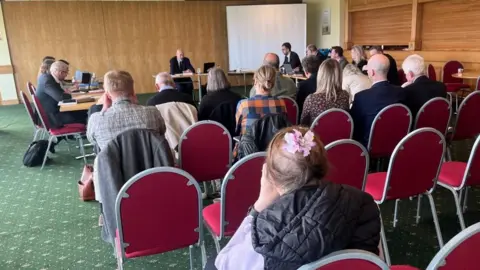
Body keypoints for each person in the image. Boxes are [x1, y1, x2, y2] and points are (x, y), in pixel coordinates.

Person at [210, 126, 381, 270]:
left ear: (270, 176)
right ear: (321, 165)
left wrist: (257, 208)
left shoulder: (263, 231)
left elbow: (223, 263)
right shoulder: (364, 203)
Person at [87, 70, 166, 151]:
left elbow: (92, 140)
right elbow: (161, 132)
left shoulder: (96, 120)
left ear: (107, 95)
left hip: (113, 163)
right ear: (133, 91)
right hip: (152, 163)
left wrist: (103, 111)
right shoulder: (153, 112)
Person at [350, 54, 405, 146]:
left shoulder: (361, 97)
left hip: (368, 146)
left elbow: (354, 126)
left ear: (372, 72)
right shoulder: (402, 92)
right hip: (397, 144)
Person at [236, 65, 287, 135]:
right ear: (273, 83)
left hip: (249, 145)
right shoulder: (281, 103)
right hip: (272, 145)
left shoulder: (244, 104)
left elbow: (237, 129)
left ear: (255, 81)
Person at [36, 61, 87, 128]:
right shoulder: (47, 80)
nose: (66, 75)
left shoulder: (48, 78)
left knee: (84, 111)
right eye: (66, 72)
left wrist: (68, 94)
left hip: (55, 111)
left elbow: (61, 93)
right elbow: (61, 97)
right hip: (52, 118)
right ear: (60, 72)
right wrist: (71, 95)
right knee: (85, 114)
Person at [300, 59, 350, 126]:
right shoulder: (345, 96)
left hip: (316, 136)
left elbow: (303, 125)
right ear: (339, 76)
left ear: (320, 75)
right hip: (340, 135)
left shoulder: (311, 99)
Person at [402, 54, 447, 118]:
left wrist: (402, 88)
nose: (406, 76)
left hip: (417, 127)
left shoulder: (408, 90)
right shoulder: (441, 86)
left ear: (410, 74)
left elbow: (405, 116)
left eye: (405, 74)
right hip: (439, 125)